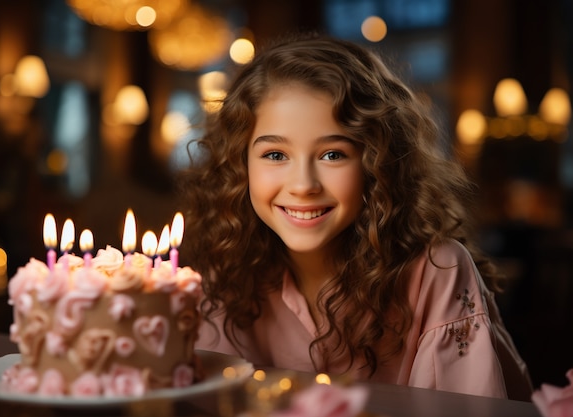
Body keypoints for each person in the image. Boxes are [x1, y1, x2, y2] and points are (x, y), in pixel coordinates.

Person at [178, 33, 533, 401]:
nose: (303, 185)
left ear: (376, 163)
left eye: (332, 154)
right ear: (241, 165)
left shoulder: (436, 271)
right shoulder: (222, 280)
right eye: (275, 155)